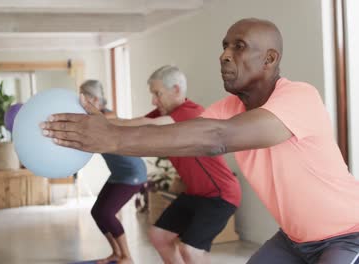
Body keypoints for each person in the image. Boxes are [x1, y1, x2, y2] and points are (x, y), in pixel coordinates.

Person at [41, 18, 359, 263]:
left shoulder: (300, 97)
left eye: (239, 46)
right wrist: (106, 129)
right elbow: (177, 137)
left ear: (270, 59)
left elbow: (217, 137)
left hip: (347, 234)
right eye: (224, 46)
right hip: (293, 239)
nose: (224, 55)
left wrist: (112, 137)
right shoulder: (227, 109)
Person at [107, 66, 241, 264]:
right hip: (196, 195)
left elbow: (147, 126)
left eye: (157, 94)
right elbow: (132, 122)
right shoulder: (165, 113)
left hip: (220, 196)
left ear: (176, 90)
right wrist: (97, 119)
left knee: (191, 249)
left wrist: (104, 128)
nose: (154, 100)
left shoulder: (190, 113)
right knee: (159, 236)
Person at [80, 80, 147, 264]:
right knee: (97, 212)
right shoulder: (95, 118)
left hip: (132, 173)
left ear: (93, 98)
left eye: (83, 96)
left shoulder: (108, 116)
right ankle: (117, 253)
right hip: (118, 174)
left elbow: (99, 124)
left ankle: (127, 256)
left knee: (107, 213)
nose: (80, 101)